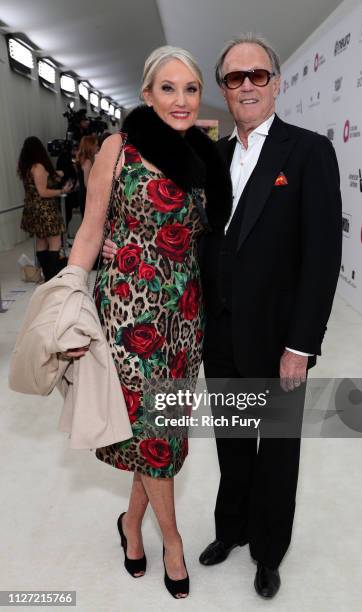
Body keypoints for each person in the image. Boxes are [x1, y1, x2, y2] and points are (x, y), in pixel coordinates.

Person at [63, 46, 231, 599]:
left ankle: (131, 525)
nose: (181, 100)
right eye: (168, 88)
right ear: (146, 93)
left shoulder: (204, 157)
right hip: (129, 311)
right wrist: (70, 294)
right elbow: (89, 230)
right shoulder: (118, 148)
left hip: (184, 315)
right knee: (155, 437)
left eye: (190, 89)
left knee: (157, 435)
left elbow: (215, 233)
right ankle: (173, 543)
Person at [196, 34, 342, 599]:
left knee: (276, 447)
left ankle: (268, 550)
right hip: (222, 330)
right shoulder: (212, 159)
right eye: (236, 78)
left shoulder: (308, 152)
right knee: (233, 440)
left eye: (259, 75)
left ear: (277, 83)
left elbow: (322, 256)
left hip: (281, 337)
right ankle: (231, 529)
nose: (248, 85)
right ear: (225, 92)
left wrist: (301, 345)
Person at [18, 136, 73, 281]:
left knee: (41, 242)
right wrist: (62, 191)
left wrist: (54, 175)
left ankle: (48, 277)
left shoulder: (26, 167)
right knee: (55, 243)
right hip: (45, 210)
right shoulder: (38, 167)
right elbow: (43, 192)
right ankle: (52, 277)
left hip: (33, 210)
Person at [75, 135, 99, 217]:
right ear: (90, 147)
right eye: (96, 145)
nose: (98, 147)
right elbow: (87, 183)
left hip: (83, 194)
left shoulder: (82, 160)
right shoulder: (87, 162)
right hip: (87, 196)